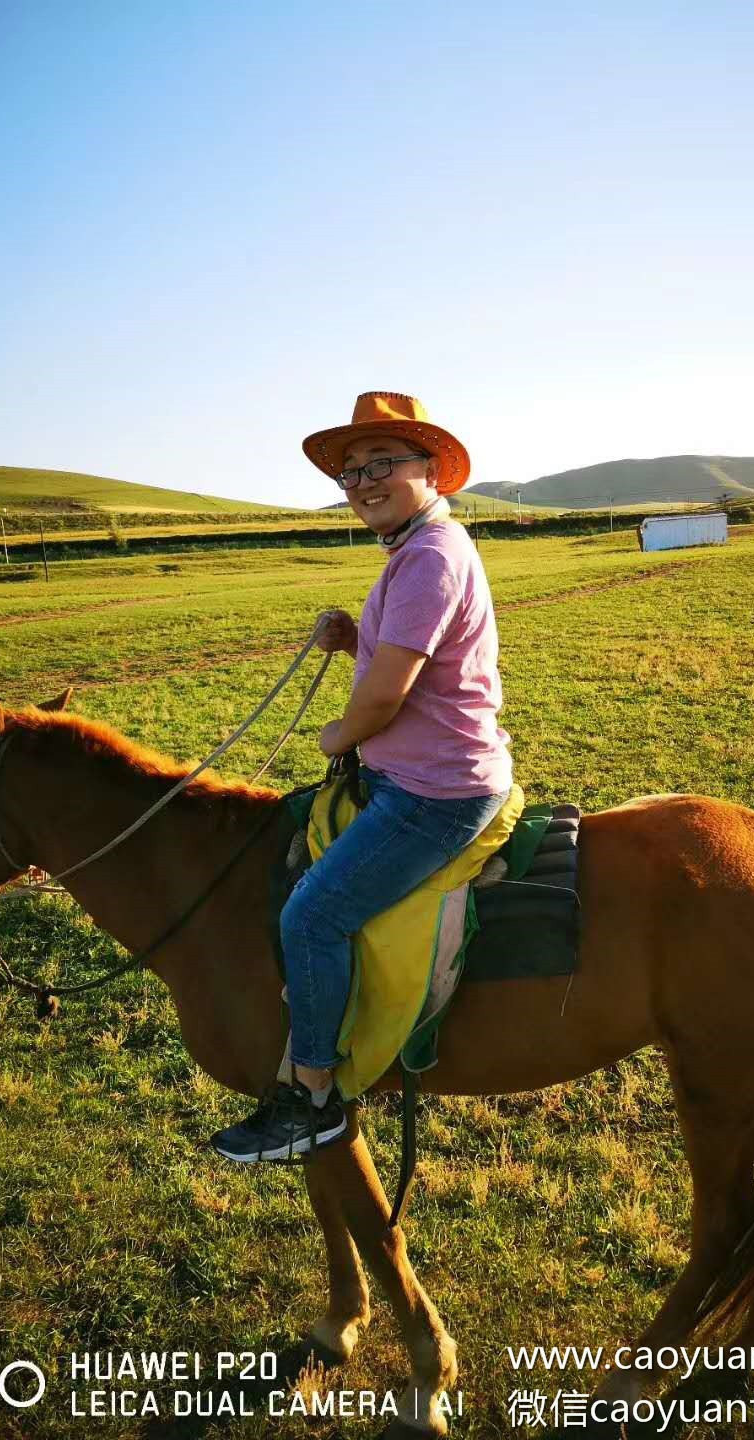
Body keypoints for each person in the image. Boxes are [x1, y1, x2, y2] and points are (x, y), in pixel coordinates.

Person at [211, 392, 513, 1161]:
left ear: (430, 470)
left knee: (312, 915)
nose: (363, 482)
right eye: (350, 473)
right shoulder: (418, 553)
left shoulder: (429, 558)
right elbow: (413, 662)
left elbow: (387, 695)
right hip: (423, 772)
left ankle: (312, 1098)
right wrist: (354, 639)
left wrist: (336, 734)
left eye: (382, 464)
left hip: (433, 792)